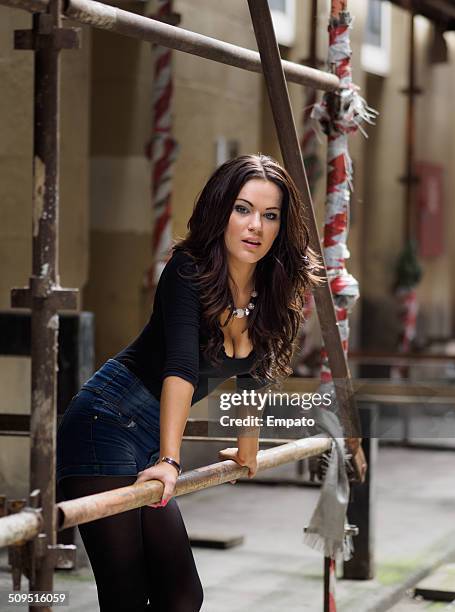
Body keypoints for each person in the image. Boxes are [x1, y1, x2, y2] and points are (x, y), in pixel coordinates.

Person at [56, 153, 319, 611]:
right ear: (221, 211)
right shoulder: (188, 268)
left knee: (182, 595)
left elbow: (256, 374)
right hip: (103, 423)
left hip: (150, 440)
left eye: (269, 215)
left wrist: (248, 446)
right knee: (125, 596)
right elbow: (180, 367)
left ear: (281, 226)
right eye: (243, 209)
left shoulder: (273, 286)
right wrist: (170, 460)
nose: (255, 225)